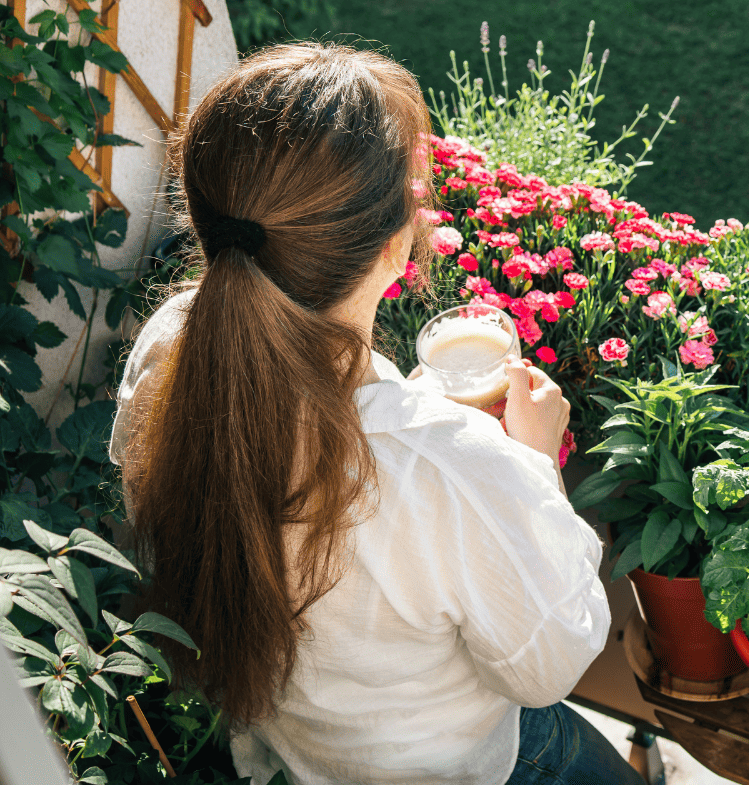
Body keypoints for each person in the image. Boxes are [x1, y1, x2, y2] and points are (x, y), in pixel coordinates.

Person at [109, 43, 642, 785]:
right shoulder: (449, 464)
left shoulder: (169, 354)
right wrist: (529, 464)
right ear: (396, 247)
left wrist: (422, 420)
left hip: (301, 758)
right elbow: (549, 664)